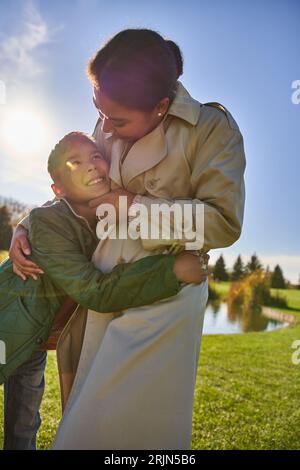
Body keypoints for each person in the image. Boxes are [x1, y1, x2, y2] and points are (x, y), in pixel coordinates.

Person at [10, 28, 245, 449]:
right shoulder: (108, 122)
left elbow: (223, 223)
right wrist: (29, 224)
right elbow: (73, 189)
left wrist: (134, 207)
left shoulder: (212, 127)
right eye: (97, 111)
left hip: (165, 294)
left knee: (137, 430)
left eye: (116, 120)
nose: (104, 127)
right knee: (82, 422)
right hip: (99, 288)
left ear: (161, 106)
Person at [1, 131, 207, 450]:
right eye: (76, 162)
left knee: (24, 421)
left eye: (96, 156)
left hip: (38, 336)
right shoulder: (49, 221)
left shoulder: (105, 216)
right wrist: (172, 270)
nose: (91, 166)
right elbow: (94, 291)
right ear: (58, 189)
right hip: (8, 326)